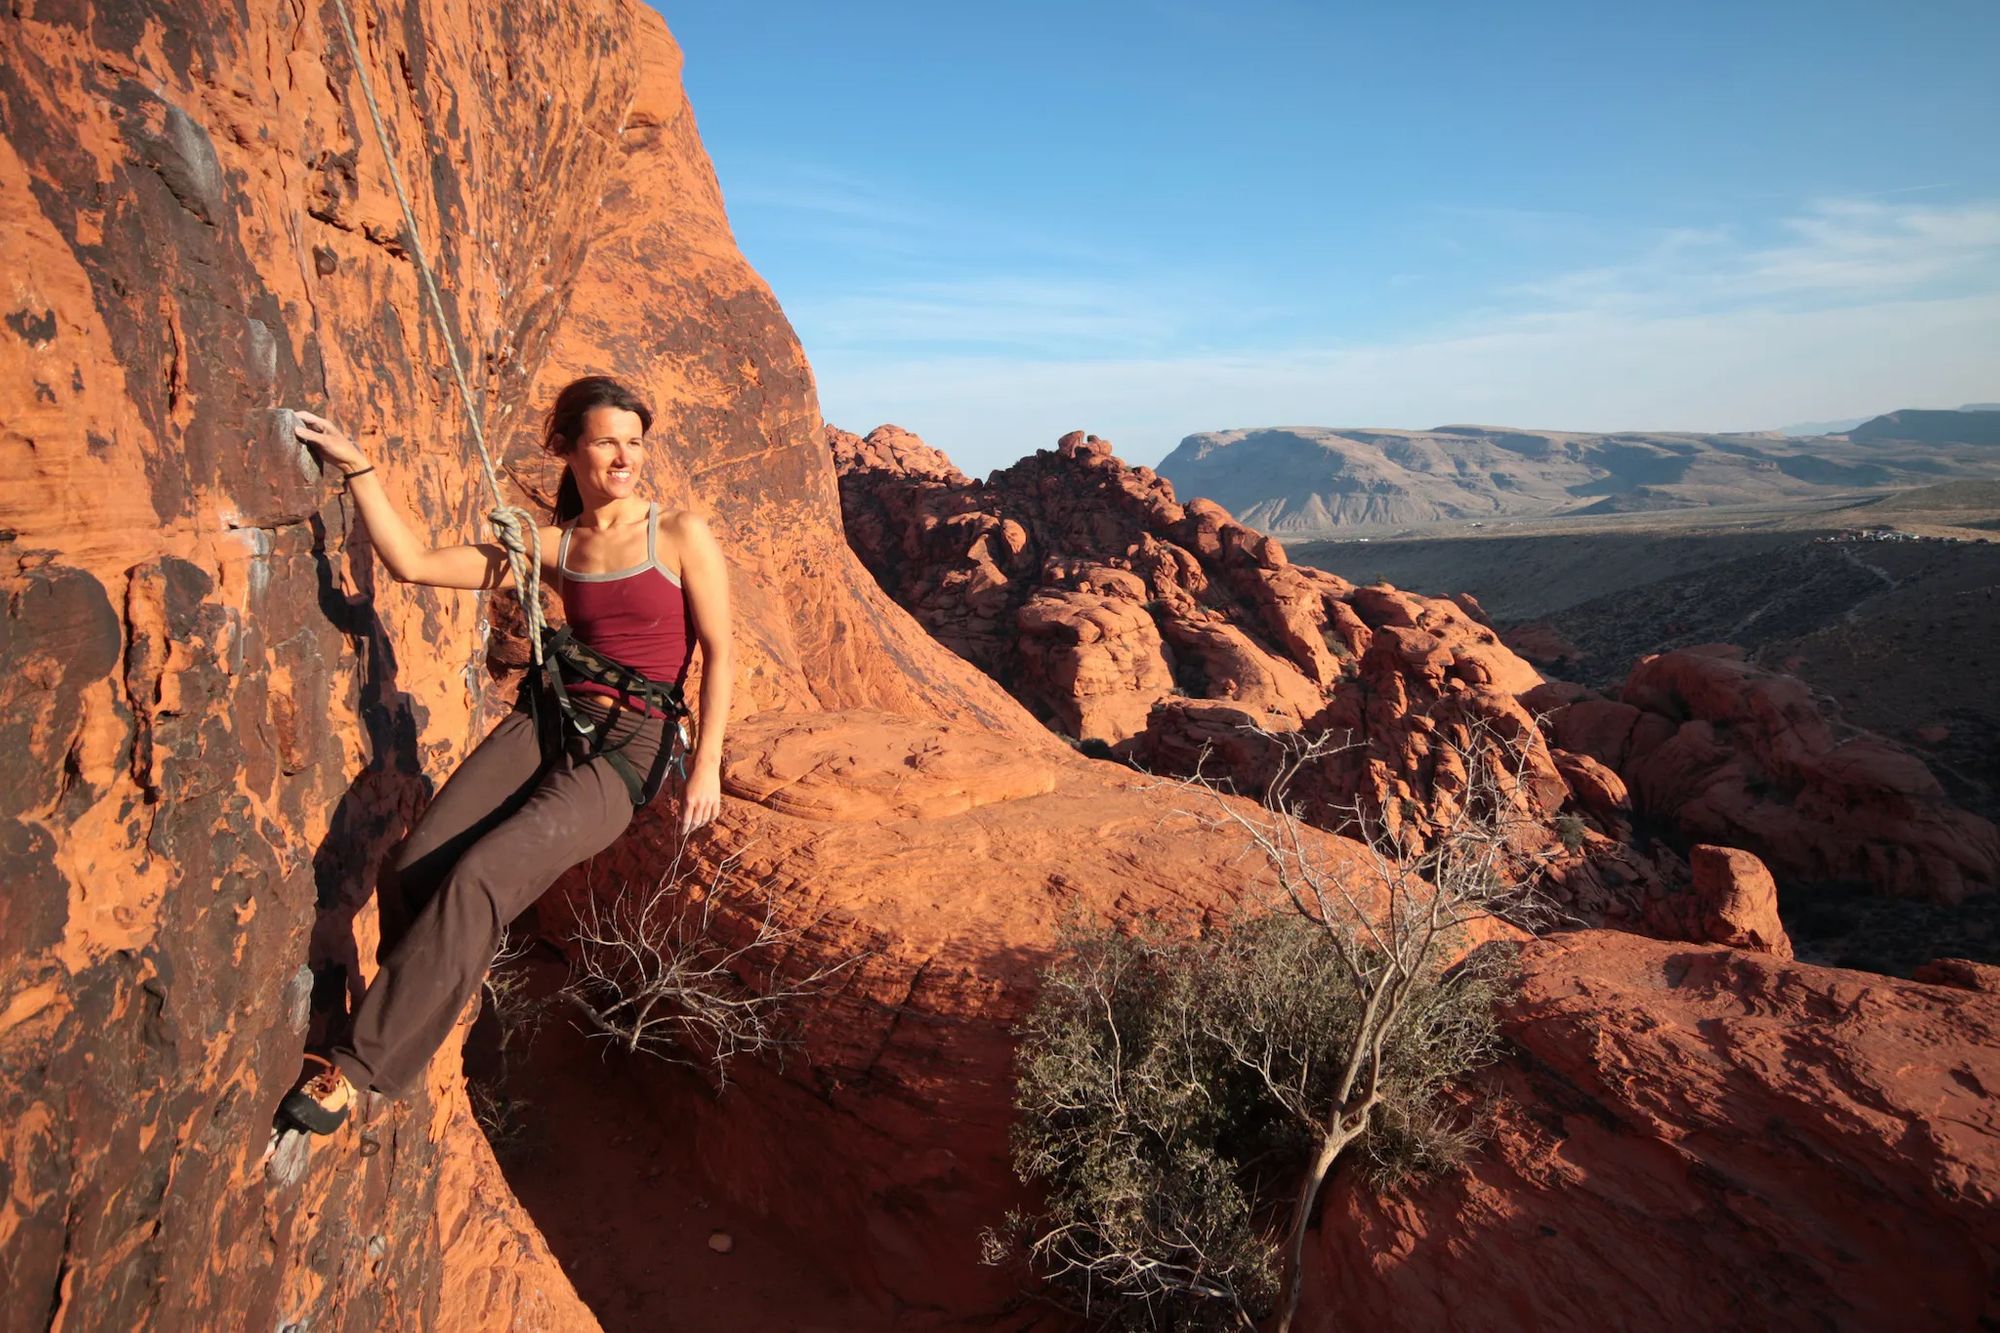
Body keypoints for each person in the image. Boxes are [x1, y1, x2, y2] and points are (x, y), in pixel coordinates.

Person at [278, 375, 732, 1134]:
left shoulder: (680, 533)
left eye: (634, 442)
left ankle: (356, 1069)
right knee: (416, 863)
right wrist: (359, 470)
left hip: (625, 749)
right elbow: (414, 564)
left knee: (484, 873)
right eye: (607, 440)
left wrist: (708, 763)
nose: (624, 456)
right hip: (548, 717)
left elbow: (719, 650)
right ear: (568, 448)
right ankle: (424, 985)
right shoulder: (551, 545)